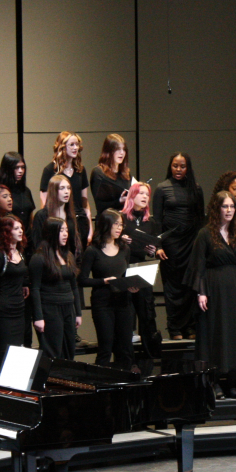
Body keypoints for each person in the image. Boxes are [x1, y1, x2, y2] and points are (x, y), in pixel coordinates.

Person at [188, 192, 236, 400]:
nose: (229, 210)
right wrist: (201, 292)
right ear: (216, 209)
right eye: (224, 206)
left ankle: (232, 383)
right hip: (214, 290)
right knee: (216, 335)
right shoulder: (205, 234)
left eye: (232, 207)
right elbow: (198, 266)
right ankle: (215, 382)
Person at [153, 153, 205, 340]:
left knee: (190, 286)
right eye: (175, 166)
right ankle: (174, 328)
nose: (178, 169)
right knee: (173, 287)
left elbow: (200, 219)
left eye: (182, 166)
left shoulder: (196, 189)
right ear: (170, 166)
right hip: (171, 245)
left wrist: (200, 245)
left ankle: (190, 327)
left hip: (191, 243)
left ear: (187, 168)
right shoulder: (161, 188)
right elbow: (157, 220)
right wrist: (158, 245)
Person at [80, 209, 139, 370]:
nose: (120, 228)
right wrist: (103, 281)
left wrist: (132, 286)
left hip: (123, 302)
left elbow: (126, 275)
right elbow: (82, 279)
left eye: (121, 225)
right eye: (116, 224)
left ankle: (126, 385)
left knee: (126, 347)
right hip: (103, 303)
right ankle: (102, 386)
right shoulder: (92, 250)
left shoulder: (125, 249)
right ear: (106, 225)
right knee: (106, 346)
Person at [120, 182, 164, 368]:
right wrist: (120, 240)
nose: (145, 197)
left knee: (147, 316)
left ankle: (150, 361)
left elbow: (154, 248)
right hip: (125, 270)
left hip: (143, 270)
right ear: (132, 196)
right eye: (141, 194)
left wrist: (153, 249)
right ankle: (126, 363)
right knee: (126, 316)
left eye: (147, 194)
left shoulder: (151, 222)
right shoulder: (122, 218)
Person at [29, 217, 82, 360]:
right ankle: (50, 380)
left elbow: (74, 287)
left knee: (69, 348)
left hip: (68, 307)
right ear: (51, 232)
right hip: (50, 308)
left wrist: (78, 312)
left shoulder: (68, 255)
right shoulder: (39, 258)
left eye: (66, 230)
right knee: (53, 350)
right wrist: (38, 317)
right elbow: (35, 289)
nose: (65, 234)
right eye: (61, 230)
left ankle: (66, 380)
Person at [39, 131, 92, 243]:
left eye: (77, 144)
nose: (75, 148)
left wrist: (90, 227)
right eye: (71, 145)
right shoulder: (50, 170)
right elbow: (44, 203)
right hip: (60, 221)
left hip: (79, 220)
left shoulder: (80, 170)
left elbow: (84, 201)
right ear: (62, 147)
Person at [0, 214, 30, 353]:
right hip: (4, 309)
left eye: (21, 228)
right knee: (5, 349)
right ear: (7, 232)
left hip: (19, 308)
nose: (20, 231)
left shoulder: (20, 253)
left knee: (18, 349)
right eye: (16, 228)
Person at [31, 174, 83, 258]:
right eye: (62, 188)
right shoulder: (42, 216)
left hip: (68, 263)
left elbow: (75, 244)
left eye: (68, 188)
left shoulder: (71, 216)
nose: (66, 191)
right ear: (53, 191)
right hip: (49, 261)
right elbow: (38, 244)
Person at [90, 134, 133, 226]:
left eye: (124, 149)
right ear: (108, 151)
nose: (122, 153)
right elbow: (100, 205)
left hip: (124, 222)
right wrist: (119, 201)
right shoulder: (99, 173)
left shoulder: (126, 173)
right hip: (107, 223)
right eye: (117, 149)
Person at [0, 152, 36, 232]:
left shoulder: (26, 191)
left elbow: (30, 217)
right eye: (16, 168)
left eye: (22, 167)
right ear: (8, 169)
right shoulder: (0, 192)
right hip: (9, 237)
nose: (20, 171)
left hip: (27, 238)